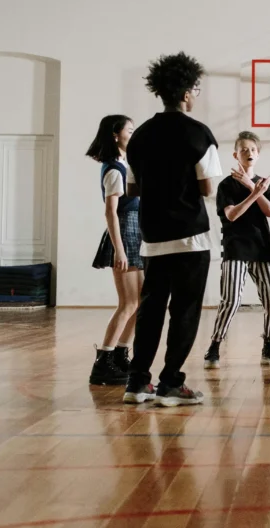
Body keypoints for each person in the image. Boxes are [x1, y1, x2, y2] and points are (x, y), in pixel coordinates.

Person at [122, 52, 222, 407]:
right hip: (191, 237)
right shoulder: (199, 133)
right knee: (185, 311)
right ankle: (170, 384)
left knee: (150, 310)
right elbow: (208, 188)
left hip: (153, 237)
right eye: (195, 89)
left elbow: (132, 190)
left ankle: (136, 382)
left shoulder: (140, 137)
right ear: (185, 93)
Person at [204, 131, 270, 370]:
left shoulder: (262, 183)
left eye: (253, 149)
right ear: (236, 154)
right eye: (244, 150)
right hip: (236, 246)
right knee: (231, 300)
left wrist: (254, 188)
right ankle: (215, 346)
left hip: (261, 246)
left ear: (258, 154)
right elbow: (232, 214)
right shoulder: (226, 185)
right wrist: (254, 193)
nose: (249, 153)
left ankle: (268, 345)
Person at [86, 114, 143, 386]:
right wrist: (119, 251)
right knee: (129, 303)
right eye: (129, 130)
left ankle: (120, 355)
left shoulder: (125, 164)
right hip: (124, 234)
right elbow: (110, 213)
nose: (133, 134)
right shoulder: (113, 169)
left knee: (139, 302)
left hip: (135, 232)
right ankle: (103, 363)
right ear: (115, 135)